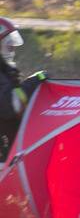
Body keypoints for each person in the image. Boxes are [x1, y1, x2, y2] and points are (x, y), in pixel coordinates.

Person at [1, 18, 45, 162]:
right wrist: (35, 82)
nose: (12, 48)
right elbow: (11, 105)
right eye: (8, 44)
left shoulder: (5, 71)